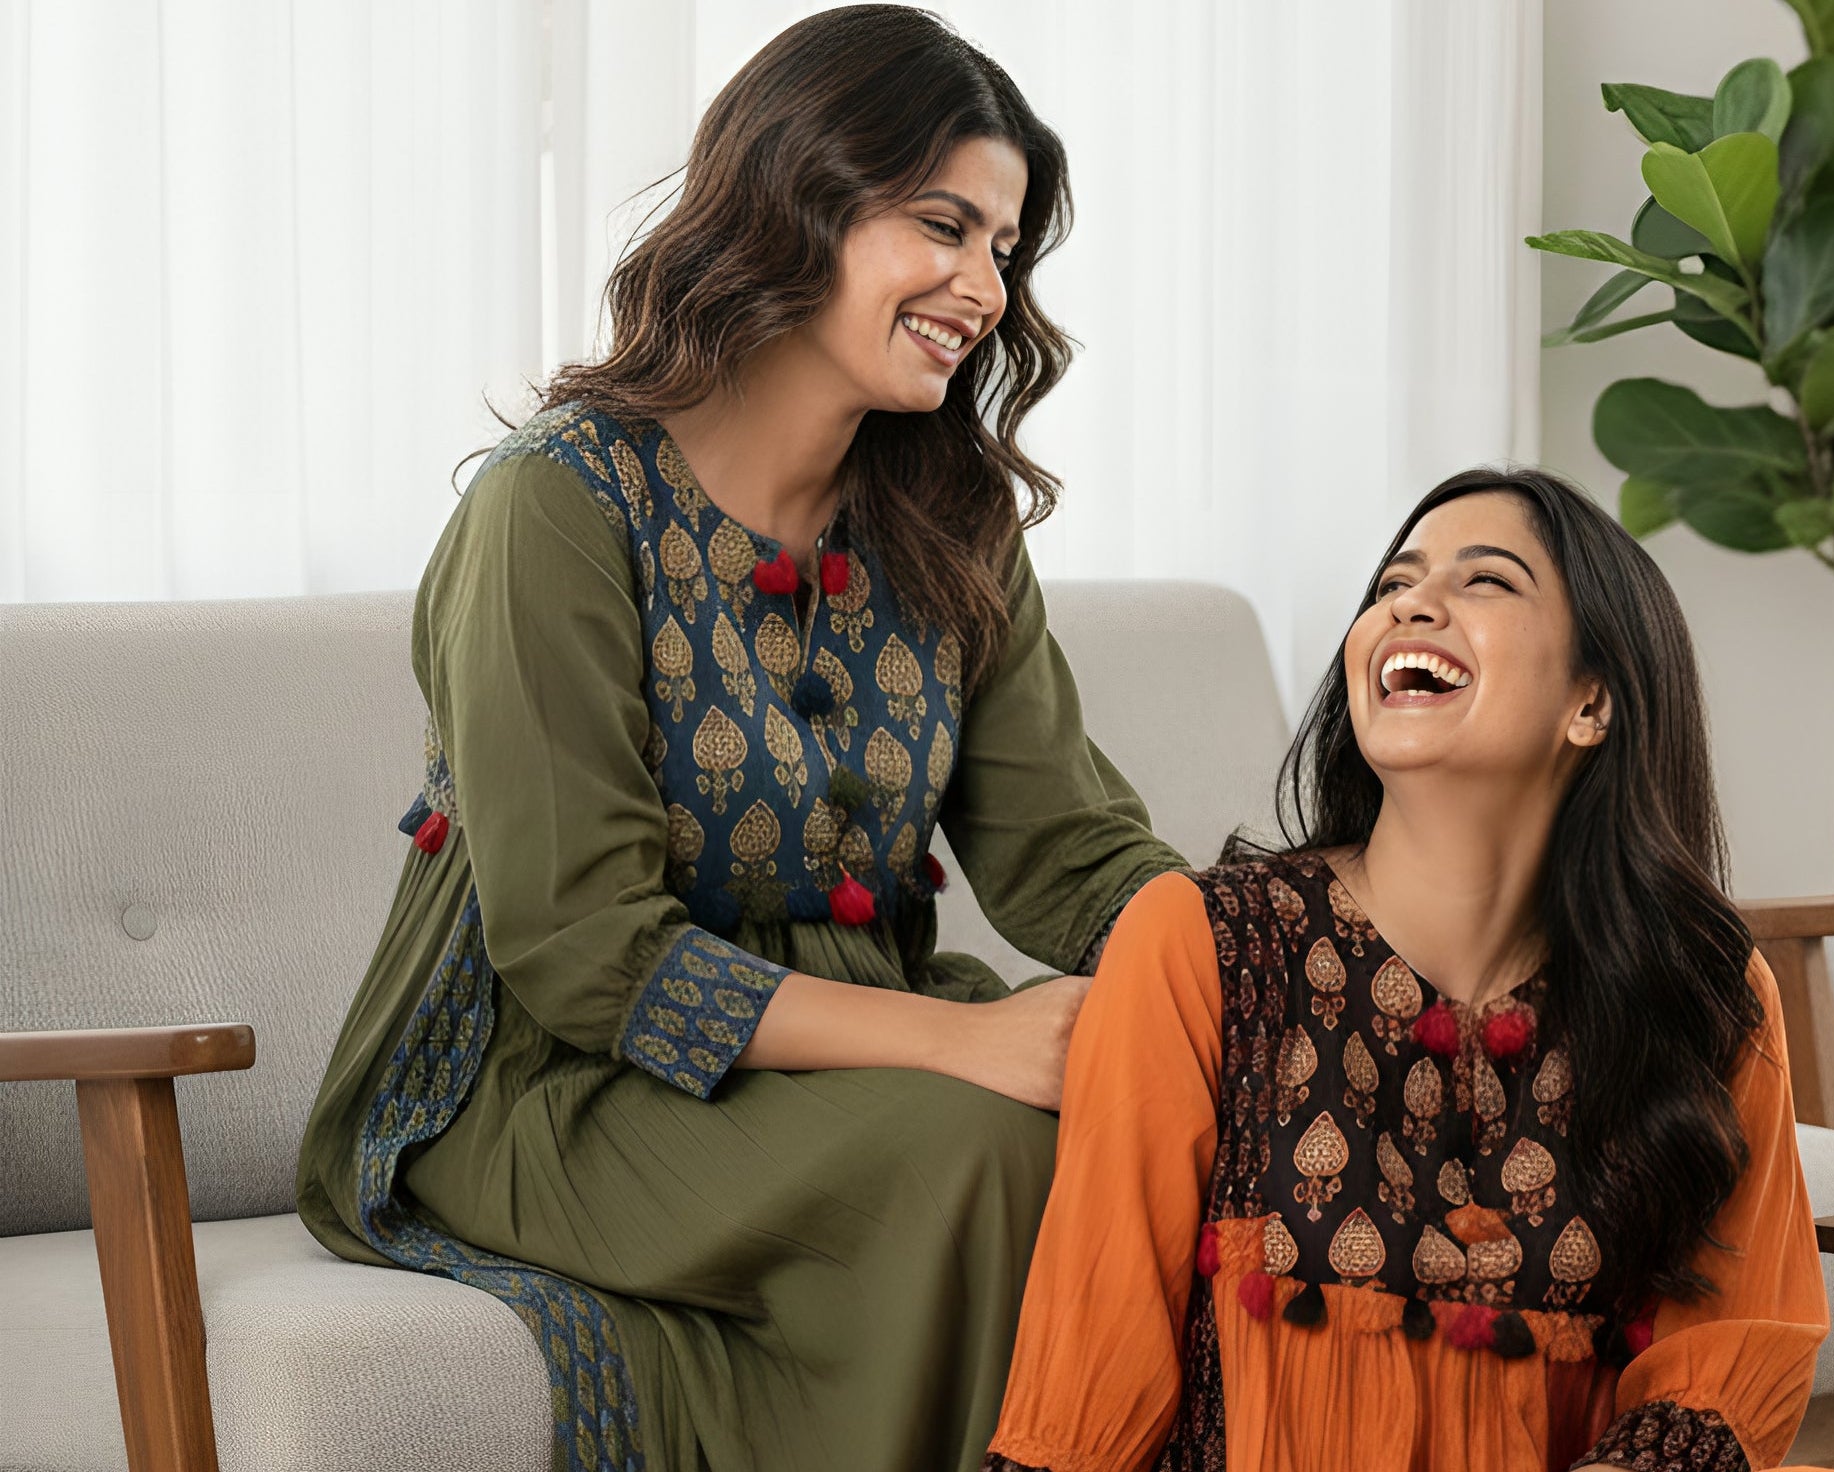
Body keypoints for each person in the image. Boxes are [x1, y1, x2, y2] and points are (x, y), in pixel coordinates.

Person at [294, 9, 1184, 1471]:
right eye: (944, 226)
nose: (982, 287)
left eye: (1007, 248)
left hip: (851, 1046)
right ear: (799, 200)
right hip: (539, 1080)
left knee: (1129, 1151)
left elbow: (1066, 850)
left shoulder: (953, 522)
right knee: (982, 1151)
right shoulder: (556, 512)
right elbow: (587, 951)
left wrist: (1277, 962)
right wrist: (966, 1041)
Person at [985, 469, 1829, 1472]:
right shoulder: (1201, 942)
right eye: (1394, 582)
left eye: (1487, 582)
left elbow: (1732, 1355)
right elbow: (1090, 1370)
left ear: (1592, 700)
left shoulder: (1700, 996)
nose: (1410, 604)